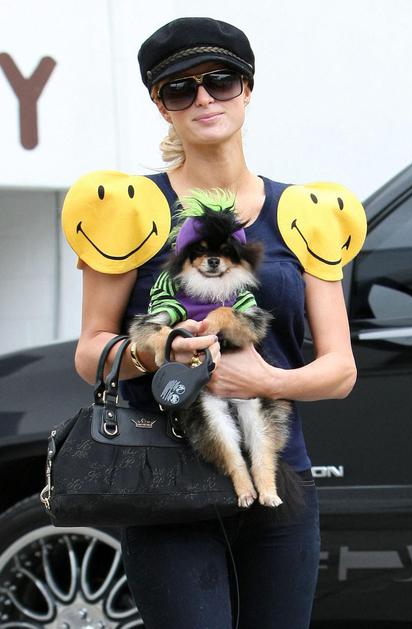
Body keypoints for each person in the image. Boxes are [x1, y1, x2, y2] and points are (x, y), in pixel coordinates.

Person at [73, 16, 362, 629]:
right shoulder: (132, 209)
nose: (204, 98)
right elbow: (90, 351)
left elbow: (340, 370)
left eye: (221, 81)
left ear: (247, 89)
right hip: (163, 481)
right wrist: (160, 350)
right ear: (161, 106)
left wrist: (267, 380)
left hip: (279, 480)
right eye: (181, 88)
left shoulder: (302, 212)